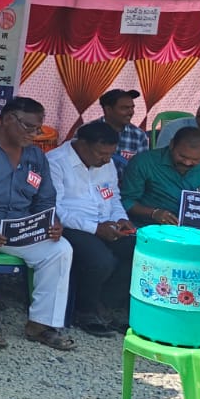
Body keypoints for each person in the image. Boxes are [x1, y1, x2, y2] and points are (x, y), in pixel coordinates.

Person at [0, 97, 74, 351]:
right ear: (7, 120)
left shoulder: (36, 155)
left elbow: (45, 198)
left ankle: (41, 324)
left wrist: (52, 222)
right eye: (29, 127)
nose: (35, 134)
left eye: (38, 128)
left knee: (60, 249)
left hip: (21, 227)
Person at [50, 120, 136, 336]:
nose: (107, 160)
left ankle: (108, 306)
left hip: (106, 223)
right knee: (100, 261)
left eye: (110, 154)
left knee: (138, 251)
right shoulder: (56, 162)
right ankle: (85, 311)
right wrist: (95, 228)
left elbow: (113, 196)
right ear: (82, 144)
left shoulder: (106, 163)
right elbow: (56, 210)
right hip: (71, 227)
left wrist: (121, 218)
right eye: (101, 154)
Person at [122, 126, 200, 227]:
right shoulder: (144, 162)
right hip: (149, 228)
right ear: (172, 144)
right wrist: (154, 213)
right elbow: (126, 200)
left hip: (196, 232)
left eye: (195, 159)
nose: (187, 162)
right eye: (182, 156)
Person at [96, 89, 147, 172]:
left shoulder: (139, 135)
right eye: (125, 108)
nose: (131, 112)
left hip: (127, 180)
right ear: (108, 109)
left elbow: (142, 169)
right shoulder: (87, 132)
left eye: (132, 107)